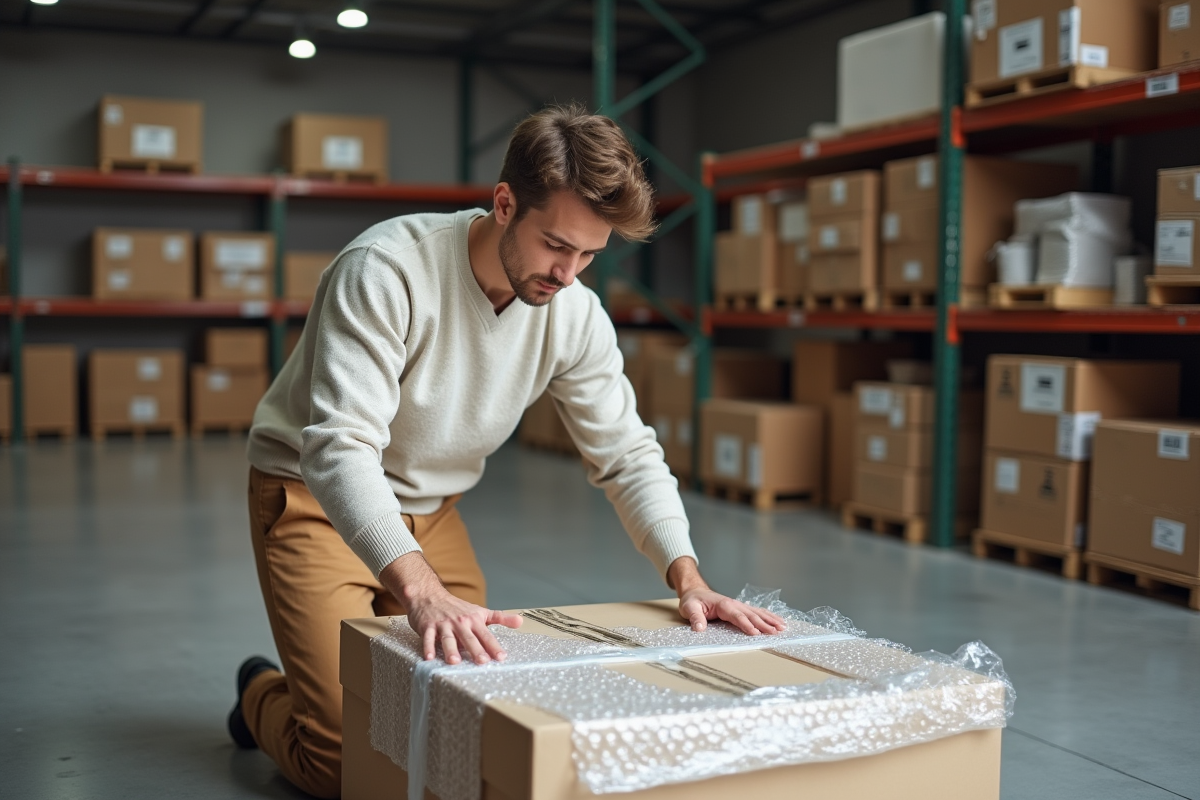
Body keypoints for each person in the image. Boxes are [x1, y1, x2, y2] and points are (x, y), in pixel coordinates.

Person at [228, 103, 787, 798]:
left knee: (463, 712)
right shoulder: (385, 270)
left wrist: (688, 577)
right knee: (342, 761)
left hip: (430, 508)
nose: (569, 273)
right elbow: (339, 449)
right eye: (557, 244)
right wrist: (422, 591)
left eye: (589, 254)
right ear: (503, 203)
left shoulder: (573, 312)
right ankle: (261, 692)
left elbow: (626, 452)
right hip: (312, 497)